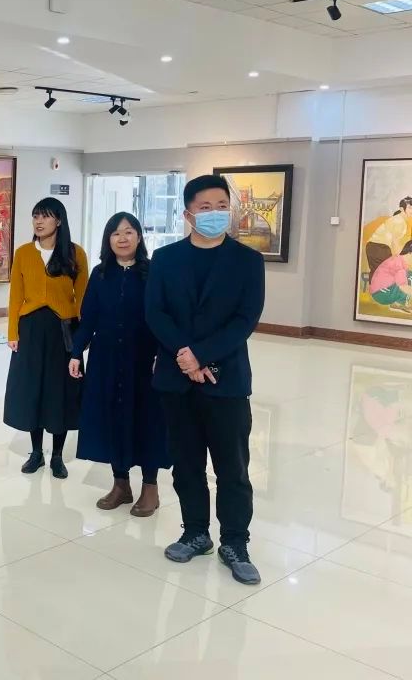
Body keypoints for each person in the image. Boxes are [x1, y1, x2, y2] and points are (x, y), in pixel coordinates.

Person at [146, 174, 265, 586]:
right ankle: (195, 532)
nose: (215, 213)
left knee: (232, 467)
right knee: (186, 463)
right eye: (205, 207)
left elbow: (245, 319)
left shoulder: (248, 261)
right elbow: (155, 312)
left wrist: (201, 355)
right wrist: (185, 355)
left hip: (226, 380)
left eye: (221, 206)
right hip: (176, 380)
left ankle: (235, 542)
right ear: (187, 214)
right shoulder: (165, 259)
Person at [69, 213, 169, 517]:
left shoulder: (153, 273)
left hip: (145, 359)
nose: (122, 238)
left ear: (139, 236)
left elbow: (164, 317)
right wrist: (76, 352)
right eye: (115, 233)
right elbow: (89, 318)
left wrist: (164, 354)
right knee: (112, 417)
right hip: (107, 358)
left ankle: (150, 487)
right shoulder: (100, 274)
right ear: (108, 240)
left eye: (128, 232)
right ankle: (120, 484)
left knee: (147, 419)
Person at [5, 197, 88, 478]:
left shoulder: (75, 254)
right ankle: (37, 453)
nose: (39, 221)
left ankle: (58, 456)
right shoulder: (23, 253)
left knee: (60, 391)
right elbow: (15, 296)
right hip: (30, 329)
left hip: (63, 331)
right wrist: (12, 332)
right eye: (35, 216)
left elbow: (83, 298)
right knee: (33, 390)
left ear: (59, 220)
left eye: (45, 216)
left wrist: (82, 338)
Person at [365, 197, 412, 277]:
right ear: (401, 209)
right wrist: (399, 259)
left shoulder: (398, 219)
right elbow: (394, 243)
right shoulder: (399, 221)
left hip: (373, 246)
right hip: (380, 247)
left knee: (377, 273)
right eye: (410, 207)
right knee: (387, 274)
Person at [369, 240, 412, 311]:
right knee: (408, 279)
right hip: (381, 294)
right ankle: (401, 303)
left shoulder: (400, 259)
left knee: (409, 275)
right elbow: (403, 286)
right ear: (410, 253)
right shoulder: (399, 265)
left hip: (380, 291)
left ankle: (397, 303)